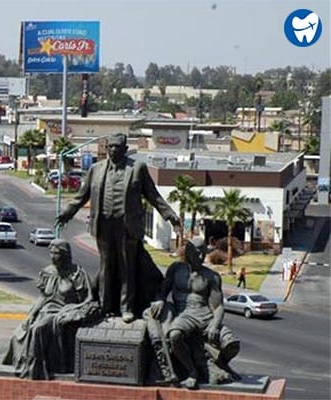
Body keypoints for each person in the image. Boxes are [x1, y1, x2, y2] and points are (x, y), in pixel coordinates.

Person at [55, 133, 180, 323]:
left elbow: (153, 196)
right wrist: (67, 212)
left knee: (126, 268)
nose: (113, 150)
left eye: (117, 147)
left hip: (127, 226)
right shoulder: (96, 169)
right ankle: (105, 306)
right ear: (106, 149)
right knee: (106, 266)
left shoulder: (137, 168)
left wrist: (170, 214)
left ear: (125, 149)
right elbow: (82, 196)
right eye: (110, 146)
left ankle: (126, 308)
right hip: (104, 225)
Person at [145, 237, 240, 389]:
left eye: (203, 253)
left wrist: (215, 325)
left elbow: (218, 306)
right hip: (184, 315)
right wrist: (160, 300)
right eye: (198, 253)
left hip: (206, 316)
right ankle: (192, 372)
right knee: (174, 335)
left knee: (233, 344)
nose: (201, 257)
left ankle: (217, 364)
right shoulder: (176, 269)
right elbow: (162, 291)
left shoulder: (212, 276)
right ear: (189, 252)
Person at [2, 239, 98, 379]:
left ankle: (36, 369)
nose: (52, 257)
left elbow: (88, 300)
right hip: (45, 310)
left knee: (38, 329)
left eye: (56, 253)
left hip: (62, 312)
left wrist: (72, 311)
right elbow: (42, 298)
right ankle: (21, 362)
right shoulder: (47, 273)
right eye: (51, 253)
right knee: (19, 333)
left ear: (65, 255)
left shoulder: (77, 273)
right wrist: (31, 315)